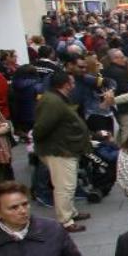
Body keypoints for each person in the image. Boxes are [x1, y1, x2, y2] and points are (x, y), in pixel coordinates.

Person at [33, 71, 91, 233]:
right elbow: (41, 128)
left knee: (68, 184)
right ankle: (65, 220)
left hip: (63, 148)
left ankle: (71, 212)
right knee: (64, 186)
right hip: (59, 150)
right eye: (72, 82)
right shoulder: (53, 102)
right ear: (66, 84)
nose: (74, 84)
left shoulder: (55, 99)